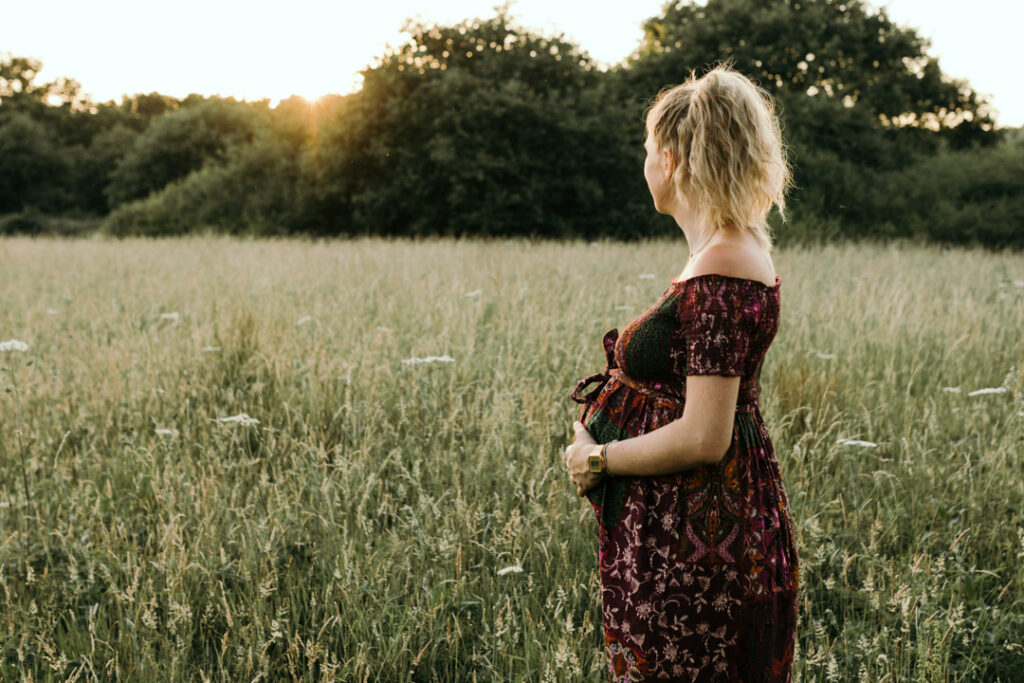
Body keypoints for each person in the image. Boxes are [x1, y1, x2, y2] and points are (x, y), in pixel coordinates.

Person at [564, 64, 799, 681]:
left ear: (669, 160)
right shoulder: (727, 249)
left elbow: (704, 434)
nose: (645, 165)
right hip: (686, 524)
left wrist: (598, 461)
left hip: (697, 541)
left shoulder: (723, 264)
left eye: (647, 151)